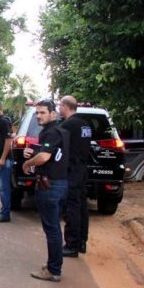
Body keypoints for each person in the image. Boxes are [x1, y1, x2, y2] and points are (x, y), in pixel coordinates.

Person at [22, 99, 69, 282]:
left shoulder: (50, 132)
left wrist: (28, 162)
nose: (38, 116)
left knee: (52, 229)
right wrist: (33, 152)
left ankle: (53, 270)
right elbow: (52, 155)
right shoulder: (61, 131)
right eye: (37, 113)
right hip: (60, 183)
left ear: (53, 113)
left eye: (42, 112)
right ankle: (53, 264)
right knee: (54, 227)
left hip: (50, 186)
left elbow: (44, 157)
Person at [59, 95, 92, 257]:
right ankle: (81, 242)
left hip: (72, 170)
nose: (59, 108)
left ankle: (71, 244)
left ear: (65, 106)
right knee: (81, 206)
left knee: (71, 206)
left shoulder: (68, 125)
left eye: (60, 105)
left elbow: (62, 149)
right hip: (82, 169)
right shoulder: (85, 124)